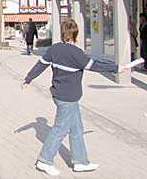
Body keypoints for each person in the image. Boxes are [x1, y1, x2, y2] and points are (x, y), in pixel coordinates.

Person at [22, 19, 123, 176]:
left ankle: (80, 161)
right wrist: (116, 68)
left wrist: (28, 79)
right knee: (60, 129)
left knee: (76, 128)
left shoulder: (54, 50)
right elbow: (95, 66)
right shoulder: (76, 54)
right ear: (75, 34)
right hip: (67, 97)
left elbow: (40, 65)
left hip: (60, 94)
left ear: (62, 33)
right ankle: (44, 160)